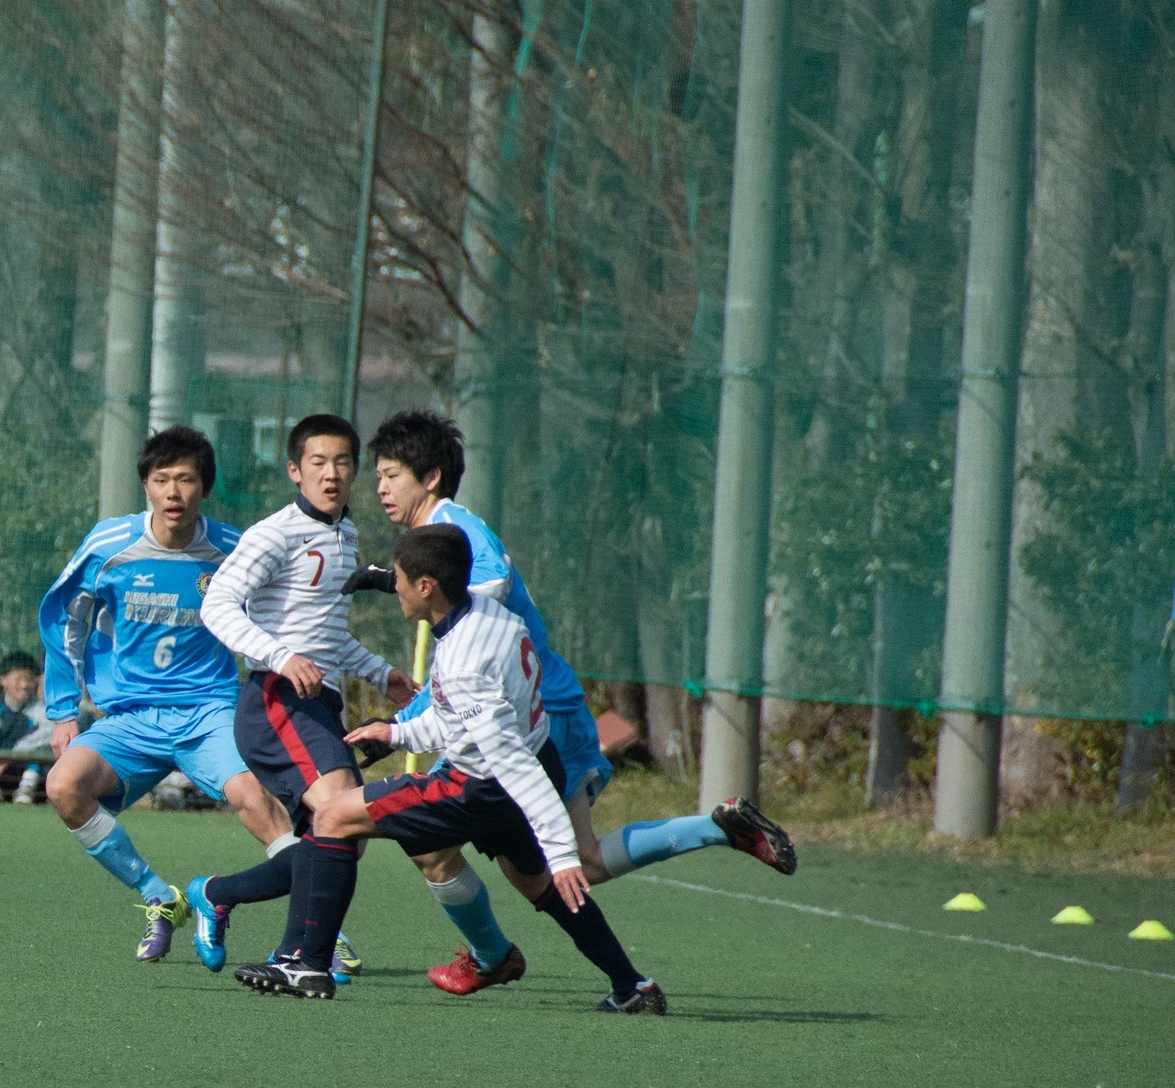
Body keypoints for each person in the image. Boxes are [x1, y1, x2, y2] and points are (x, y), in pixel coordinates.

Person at [359, 409, 796, 994]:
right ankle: (499, 957)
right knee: (463, 853)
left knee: (569, 863)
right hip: (528, 707)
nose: (381, 487)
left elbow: (479, 602)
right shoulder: (441, 536)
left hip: (533, 715)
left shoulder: (457, 531)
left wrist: (405, 720)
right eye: (379, 476)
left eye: (391, 474)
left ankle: (709, 837)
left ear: (430, 477)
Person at [235, 525, 663, 1011]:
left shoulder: (461, 662)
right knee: (537, 884)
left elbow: (510, 761)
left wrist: (563, 850)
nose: (393, 586)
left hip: (477, 786)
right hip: (528, 760)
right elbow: (462, 720)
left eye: (398, 578)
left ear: (426, 586)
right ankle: (633, 986)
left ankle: (307, 965)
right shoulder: (490, 611)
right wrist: (396, 734)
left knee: (333, 816)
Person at [39, 426, 294, 963]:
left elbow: (275, 621)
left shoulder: (231, 551)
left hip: (209, 711)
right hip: (129, 717)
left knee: (257, 801)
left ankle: (316, 931)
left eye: (185, 479)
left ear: (204, 487)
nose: (173, 492)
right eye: (162, 480)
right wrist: (63, 712)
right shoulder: (111, 546)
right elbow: (64, 621)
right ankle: (159, 897)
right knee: (64, 787)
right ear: (146, 487)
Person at [190, 414, 415, 979]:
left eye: (342, 463)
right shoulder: (274, 532)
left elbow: (329, 634)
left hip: (318, 705)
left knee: (339, 838)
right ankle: (299, 955)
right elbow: (215, 606)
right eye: (317, 463)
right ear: (295, 470)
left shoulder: (346, 534)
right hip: (276, 699)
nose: (330, 474)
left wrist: (379, 671)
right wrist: (280, 657)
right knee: (343, 813)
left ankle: (219, 895)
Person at [0, 650, 50, 803]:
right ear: (3, 680)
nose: (25, 685)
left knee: (42, 751)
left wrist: (13, 755)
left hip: (23, 769)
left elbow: (49, 732)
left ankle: (26, 791)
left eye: (29, 679)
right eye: (19, 678)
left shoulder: (41, 710)